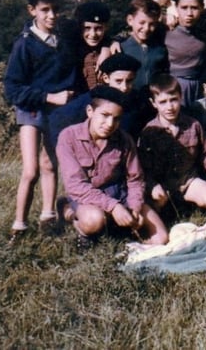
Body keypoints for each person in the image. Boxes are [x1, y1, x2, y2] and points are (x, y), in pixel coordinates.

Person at [4, 0, 77, 243]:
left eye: (56, 9)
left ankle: (48, 217)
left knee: (50, 164)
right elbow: (12, 89)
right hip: (31, 109)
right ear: (32, 10)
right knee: (31, 170)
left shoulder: (63, 38)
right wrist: (48, 96)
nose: (52, 15)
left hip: (56, 111)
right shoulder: (25, 44)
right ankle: (19, 225)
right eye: (45, 10)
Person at [56, 86, 169, 250]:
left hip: (120, 195)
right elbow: (76, 186)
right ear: (90, 111)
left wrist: (135, 208)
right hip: (86, 197)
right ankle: (69, 213)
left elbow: (135, 179)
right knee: (94, 221)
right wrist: (114, 207)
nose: (110, 124)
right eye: (105, 115)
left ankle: (114, 225)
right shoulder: (68, 137)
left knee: (161, 238)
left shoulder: (124, 140)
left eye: (116, 119)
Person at [138, 74, 206, 214]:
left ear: (181, 97)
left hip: (187, 181)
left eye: (173, 100)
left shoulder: (193, 125)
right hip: (163, 185)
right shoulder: (149, 132)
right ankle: (170, 210)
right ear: (154, 103)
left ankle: (187, 203)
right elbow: (143, 169)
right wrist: (153, 186)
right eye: (163, 102)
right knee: (158, 204)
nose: (170, 107)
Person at [165, 0, 206, 110]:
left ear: (202, 7)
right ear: (176, 8)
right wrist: (115, 41)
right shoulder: (166, 30)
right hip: (174, 86)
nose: (189, 13)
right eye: (184, 8)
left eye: (194, 8)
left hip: (199, 86)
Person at [119, 0, 169, 92]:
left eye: (152, 24)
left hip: (155, 97)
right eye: (142, 23)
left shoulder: (161, 48)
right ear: (130, 20)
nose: (146, 28)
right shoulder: (122, 48)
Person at [71, 0, 111, 93]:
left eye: (98, 28)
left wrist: (108, 47)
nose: (93, 34)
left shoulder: (110, 46)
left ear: (106, 27)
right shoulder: (73, 48)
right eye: (87, 28)